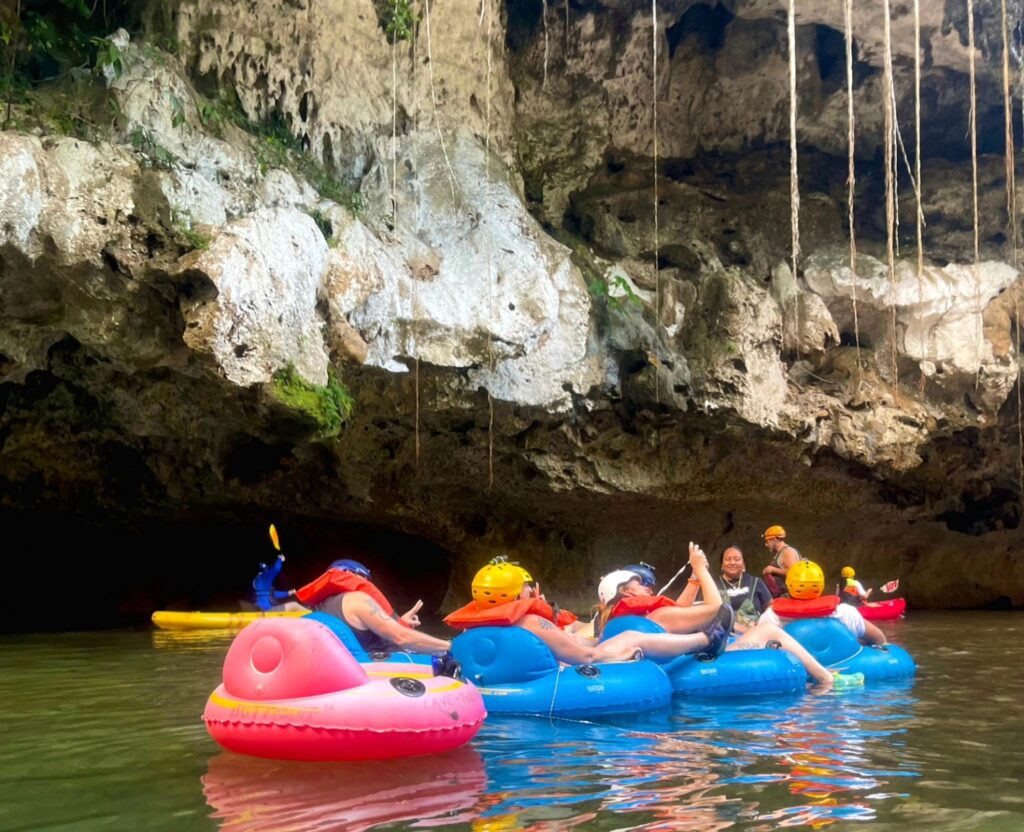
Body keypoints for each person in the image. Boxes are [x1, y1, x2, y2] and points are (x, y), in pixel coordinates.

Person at [617, 554, 860, 690]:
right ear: (625, 592)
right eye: (643, 583)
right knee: (768, 630)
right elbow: (715, 608)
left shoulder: (612, 622)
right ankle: (827, 681)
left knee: (760, 627)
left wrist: (693, 580)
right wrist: (700, 570)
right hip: (682, 663)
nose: (650, 588)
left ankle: (824, 676)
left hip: (669, 660)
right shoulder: (655, 616)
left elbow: (679, 611)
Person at [445, 556, 732, 665]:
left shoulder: (475, 627)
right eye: (527, 586)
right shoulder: (530, 621)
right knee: (632, 637)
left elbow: (574, 642)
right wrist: (619, 657)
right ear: (517, 592)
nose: (531, 590)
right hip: (573, 670)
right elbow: (584, 655)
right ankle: (706, 641)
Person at [286, 559, 451, 656]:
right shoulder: (358, 600)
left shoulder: (321, 607)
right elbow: (402, 638)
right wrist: (450, 646)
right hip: (378, 669)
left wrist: (400, 622)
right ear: (357, 576)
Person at [757, 560, 888, 647]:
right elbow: (879, 638)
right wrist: (855, 644)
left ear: (789, 585)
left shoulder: (771, 617)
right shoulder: (845, 613)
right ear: (821, 585)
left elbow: (758, 647)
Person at [675, 545, 772, 632]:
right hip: (722, 634)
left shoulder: (755, 582)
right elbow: (699, 612)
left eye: (737, 559)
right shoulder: (711, 584)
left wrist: (763, 621)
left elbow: (771, 606)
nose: (732, 562)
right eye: (728, 559)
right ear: (721, 565)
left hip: (754, 632)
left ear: (743, 565)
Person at [761, 524, 804, 598]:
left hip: (790, 598)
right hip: (782, 598)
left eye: (767, 541)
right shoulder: (780, 553)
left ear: (774, 539)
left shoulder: (787, 552)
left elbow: (793, 572)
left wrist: (772, 569)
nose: (766, 544)